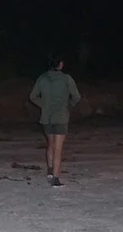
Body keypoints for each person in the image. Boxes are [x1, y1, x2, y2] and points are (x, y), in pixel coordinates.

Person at [28, 56, 82, 188]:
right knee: (58, 149)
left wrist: (44, 105)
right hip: (61, 117)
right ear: (60, 64)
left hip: (46, 117)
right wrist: (68, 106)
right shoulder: (66, 78)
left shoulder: (42, 78)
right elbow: (76, 96)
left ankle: (50, 171)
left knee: (50, 145)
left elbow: (32, 96)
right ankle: (56, 179)